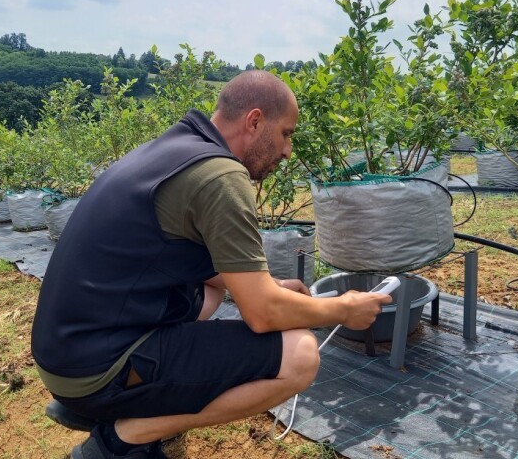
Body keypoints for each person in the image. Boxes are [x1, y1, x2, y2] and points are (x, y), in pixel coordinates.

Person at [30, 70, 393, 459]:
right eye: (286, 133)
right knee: (301, 355)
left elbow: (184, 260)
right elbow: (263, 315)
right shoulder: (221, 176)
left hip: (63, 355)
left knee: (209, 294)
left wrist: (266, 284)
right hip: (95, 373)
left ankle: (104, 402)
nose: (288, 151)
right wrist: (343, 309)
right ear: (254, 121)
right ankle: (125, 435)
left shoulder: (176, 147)